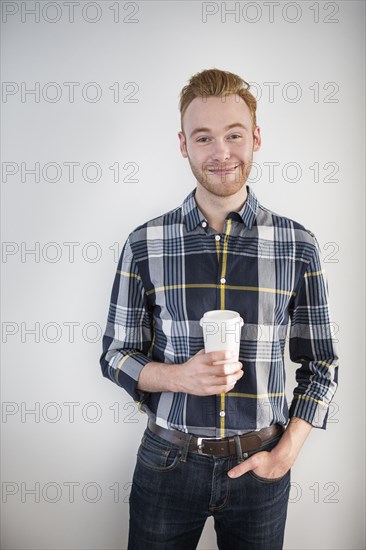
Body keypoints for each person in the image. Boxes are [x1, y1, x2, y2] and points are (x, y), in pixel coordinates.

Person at [100, 68, 339, 550]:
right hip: (167, 464)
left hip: (261, 470)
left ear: (255, 138)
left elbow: (321, 364)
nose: (220, 152)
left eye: (233, 135)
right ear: (183, 144)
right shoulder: (145, 243)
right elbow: (114, 354)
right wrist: (177, 377)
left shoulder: (298, 246)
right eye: (203, 137)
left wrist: (285, 453)